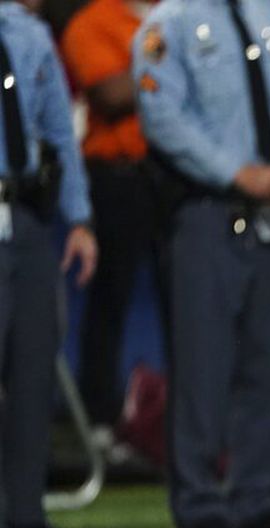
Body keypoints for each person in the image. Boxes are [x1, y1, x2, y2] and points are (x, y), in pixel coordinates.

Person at [134, 0, 270, 528]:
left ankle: (257, 497)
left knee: (267, 364)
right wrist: (233, 171)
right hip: (206, 212)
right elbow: (162, 115)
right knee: (202, 363)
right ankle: (199, 502)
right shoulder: (167, 24)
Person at [0, 0, 97, 528]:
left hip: (30, 215)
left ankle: (26, 514)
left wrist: (79, 219)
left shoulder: (30, 35)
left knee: (34, 366)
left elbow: (59, 129)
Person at [60, 0, 163, 448]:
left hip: (176, 174)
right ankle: (99, 419)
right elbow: (111, 95)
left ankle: (196, 418)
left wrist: (146, 72)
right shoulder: (93, 21)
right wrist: (175, 68)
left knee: (196, 300)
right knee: (110, 297)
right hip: (116, 176)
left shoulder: (179, 15)